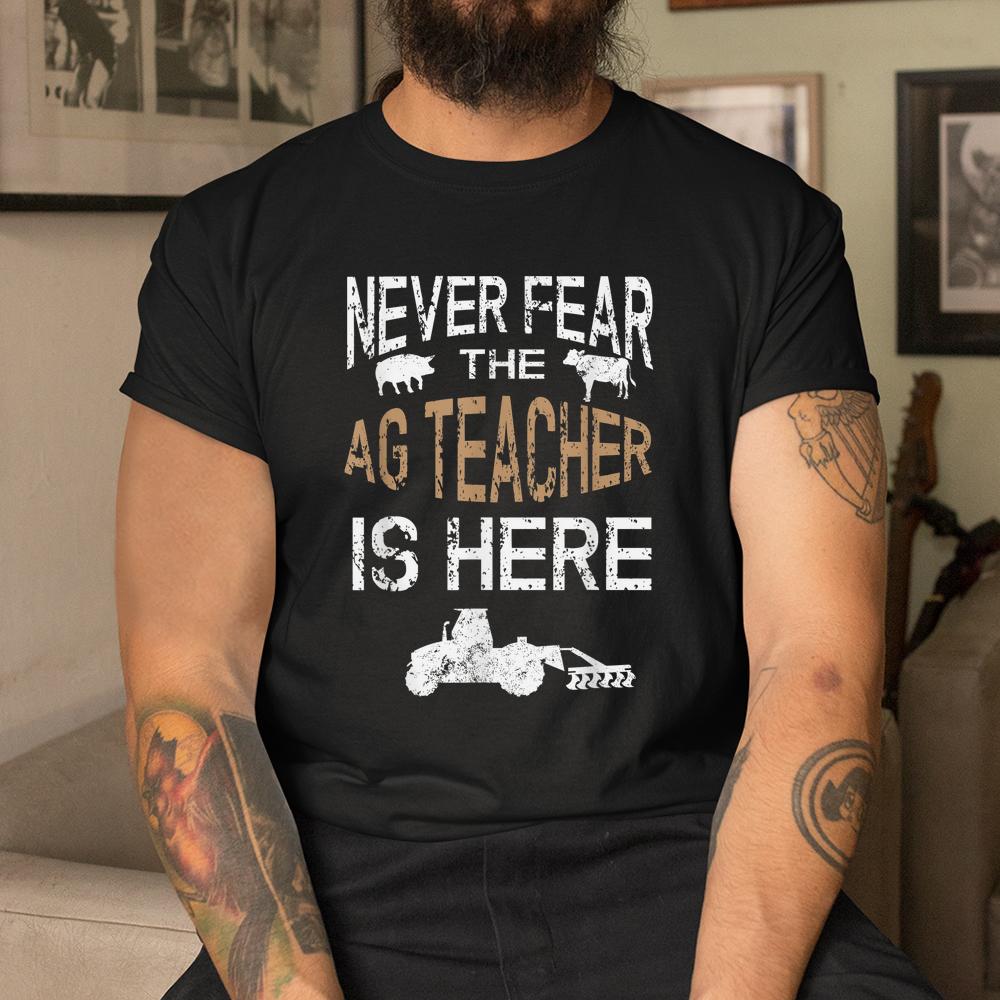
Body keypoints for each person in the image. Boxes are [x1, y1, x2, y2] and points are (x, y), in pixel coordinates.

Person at [114, 1, 943, 998]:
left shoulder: (769, 228)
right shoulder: (227, 244)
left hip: (688, 873)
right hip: (342, 890)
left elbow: (813, 654)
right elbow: (189, 673)